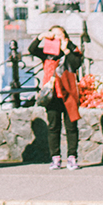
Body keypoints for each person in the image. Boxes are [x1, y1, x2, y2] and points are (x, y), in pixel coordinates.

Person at [29, 24, 85, 169]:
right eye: (53, 35)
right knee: (53, 127)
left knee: (71, 126)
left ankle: (72, 157)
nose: (56, 38)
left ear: (65, 37)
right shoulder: (47, 52)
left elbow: (76, 63)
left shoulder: (72, 50)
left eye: (59, 35)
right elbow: (32, 49)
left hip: (68, 92)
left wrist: (66, 49)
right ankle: (56, 158)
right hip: (52, 94)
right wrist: (41, 36)